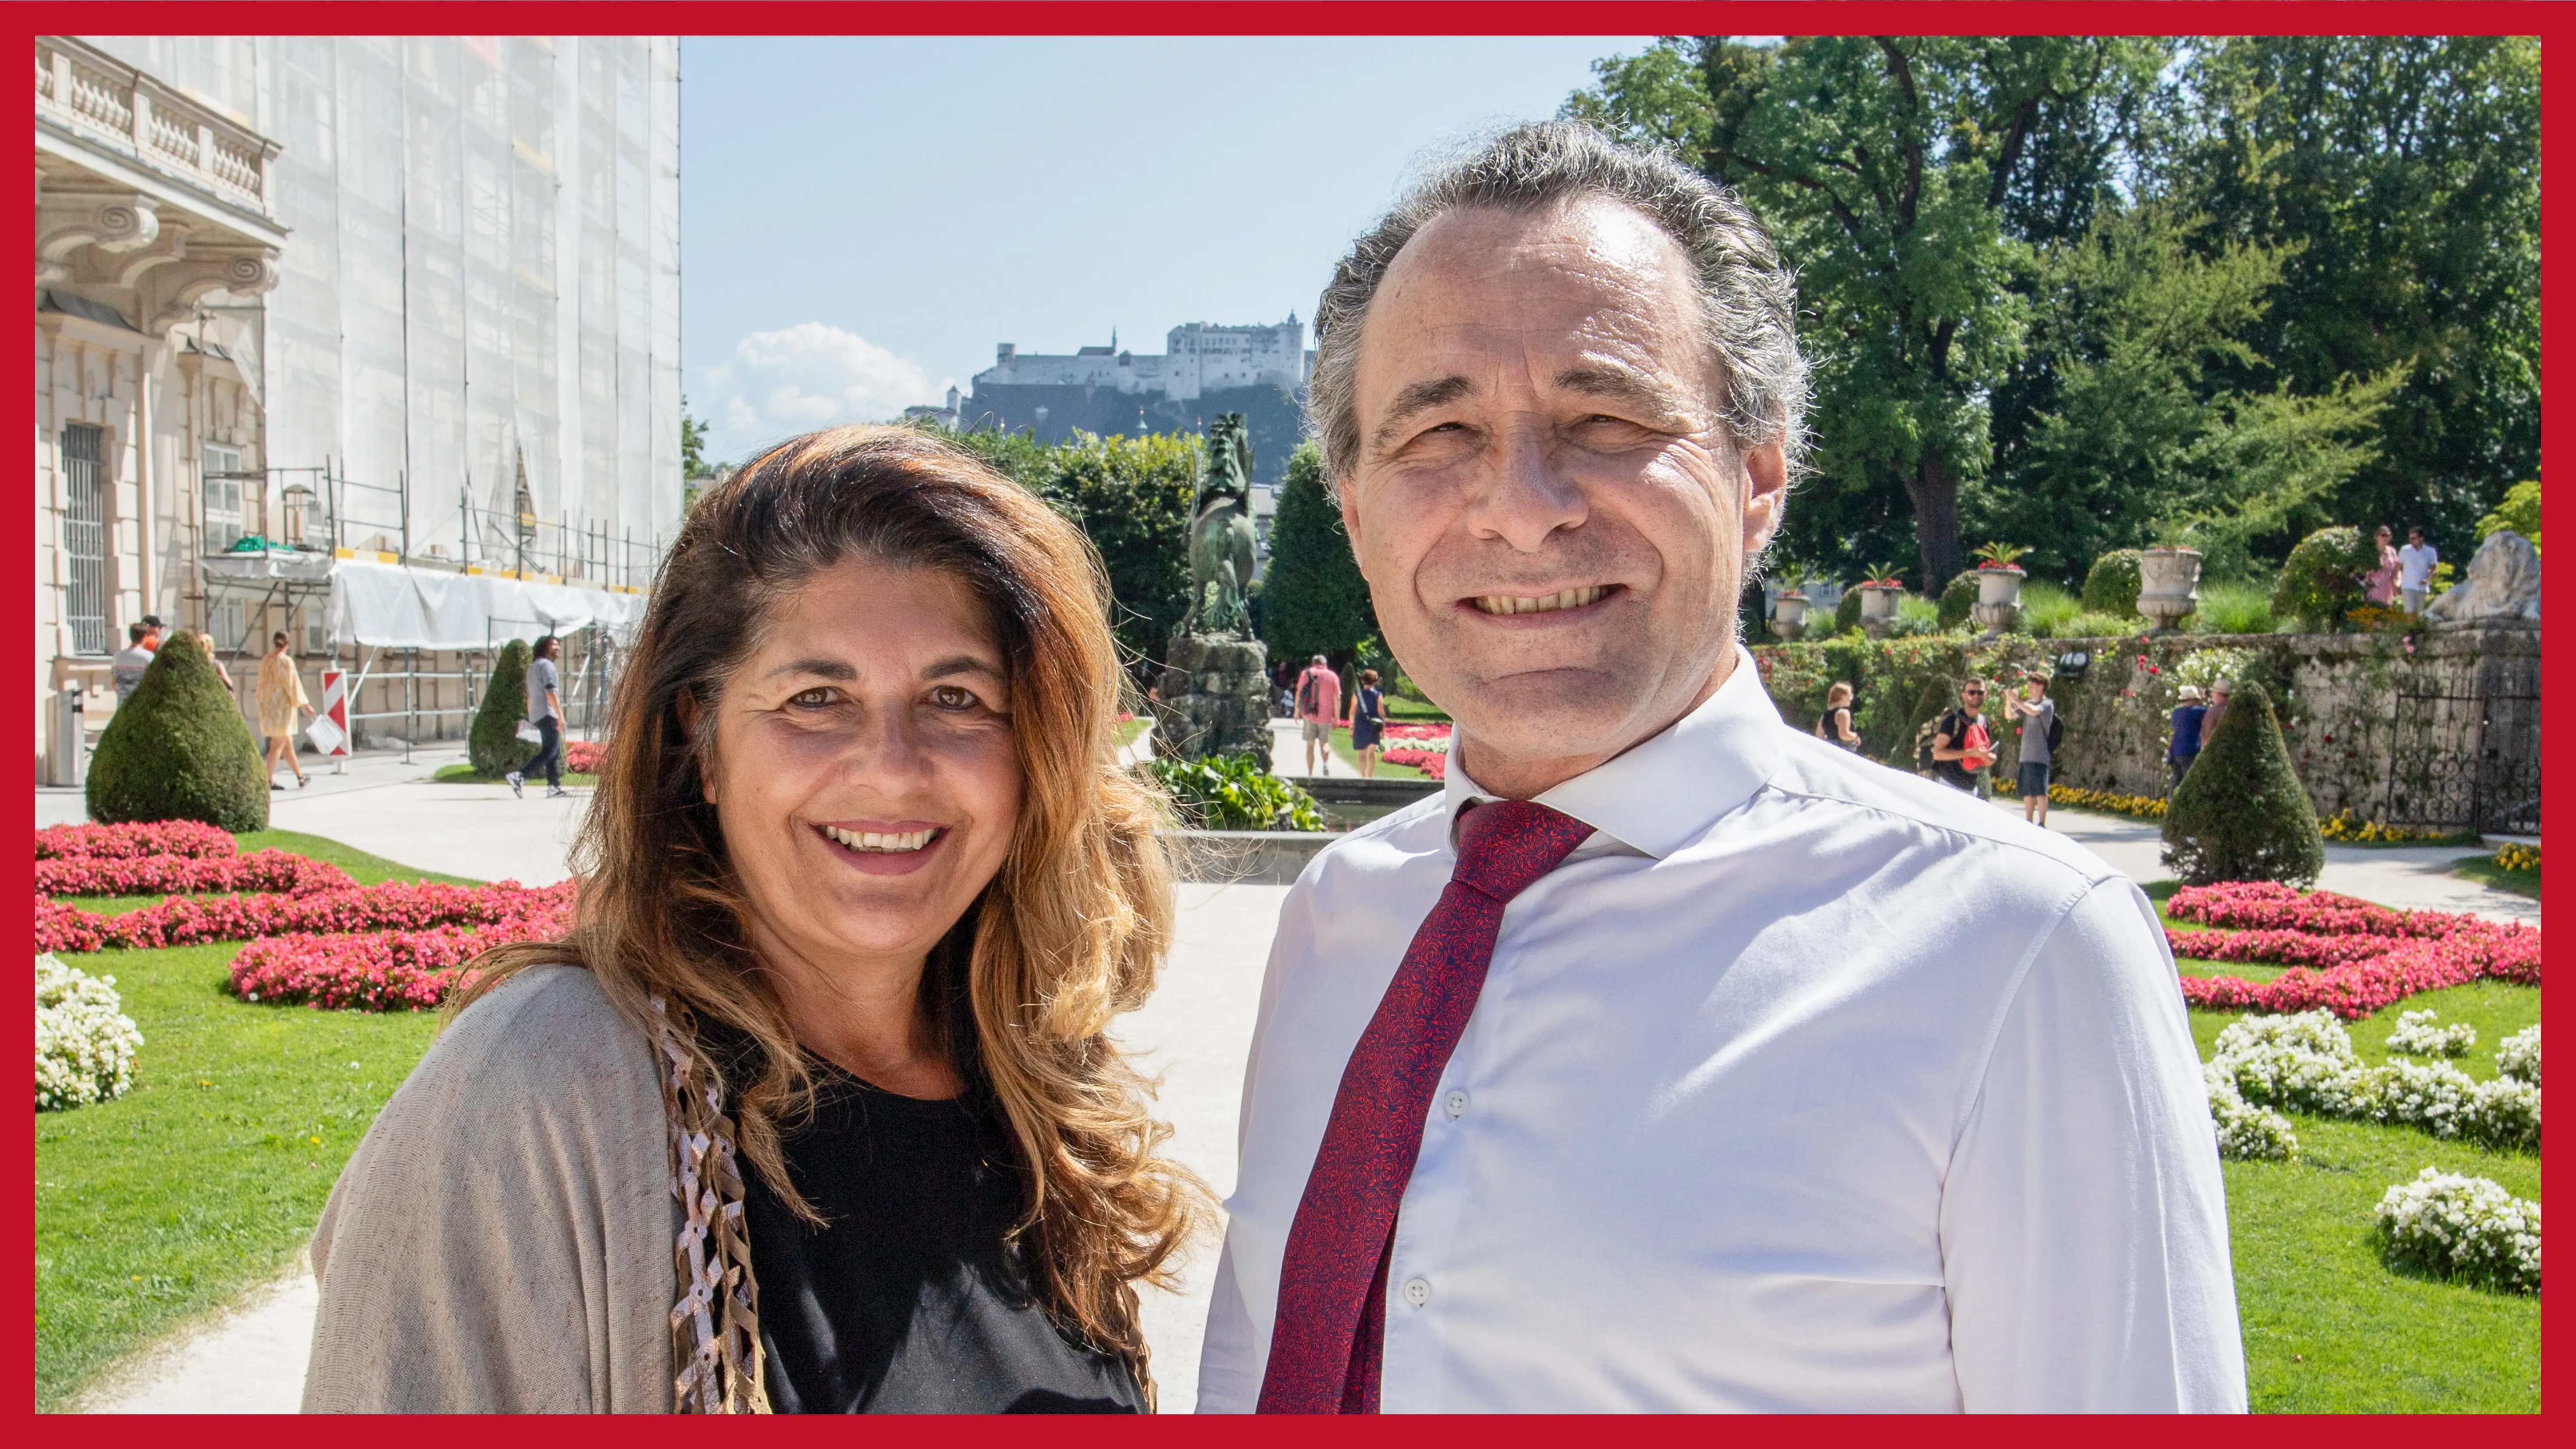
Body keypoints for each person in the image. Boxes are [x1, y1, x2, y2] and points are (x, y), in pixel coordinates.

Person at [1196, 121, 2242, 1414]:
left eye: (1602, 416)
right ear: (1353, 514)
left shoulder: (2013, 952)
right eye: (1438, 433)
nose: (1520, 506)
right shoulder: (1338, 917)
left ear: (1755, 479)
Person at [302, 425, 1209, 1413]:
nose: (893, 766)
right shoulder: (536, 1094)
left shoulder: (1034, 1085)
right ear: (701, 734)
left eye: (957, 696)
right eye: (816, 697)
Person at [507, 635, 569, 800]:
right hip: (549, 713)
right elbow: (551, 692)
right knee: (550, 751)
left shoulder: (533, 667)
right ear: (545, 647)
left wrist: (532, 717)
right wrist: (560, 716)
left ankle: (554, 787)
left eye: (558, 645)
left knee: (553, 752)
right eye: (554, 645)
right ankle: (520, 775)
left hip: (537, 714)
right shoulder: (547, 666)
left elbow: (530, 696)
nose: (558, 648)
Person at [255, 632, 313, 790]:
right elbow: (293, 685)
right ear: (287, 645)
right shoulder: (286, 661)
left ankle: (300, 777)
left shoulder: (266, 660)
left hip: (269, 707)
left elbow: (260, 683)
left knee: (287, 744)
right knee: (277, 745)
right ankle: (267, 781)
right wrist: (305, 704)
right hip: (282, 708)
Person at [2005, 673, 2057, 826]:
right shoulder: (2027, 704)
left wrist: (2017, 700)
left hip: (2039, 756)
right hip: (2026, 755)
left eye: (2033, 686)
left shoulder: (2047, 704)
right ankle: (2028, 821)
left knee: (2040, 792)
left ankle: (2042, 822)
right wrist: (2009, 701)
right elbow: (2010, 715)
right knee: (2027, 792)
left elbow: (2034, 711)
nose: (2030, 690)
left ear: (2042, 687)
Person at [1928, 679, 1995, 795]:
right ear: (1964, 696)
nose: (1976, 696)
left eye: (1980, 692)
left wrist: (1988, 759)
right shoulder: (1952, 720)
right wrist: (1969, 753)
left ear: (1986, 695)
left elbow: (1982, 756)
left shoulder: (1984, 723)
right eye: (1971, 692)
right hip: (1947, 785)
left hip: (1971, 789)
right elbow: (1938, 754)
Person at [1294, 653, 1342, 776]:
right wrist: (1337, 718)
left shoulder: (1306, 673)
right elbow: (1337, 698)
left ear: (1313, 663)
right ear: (1325, 664)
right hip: (1325, 715)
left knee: (1310, 746)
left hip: (1309, 714)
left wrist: (1297, 712)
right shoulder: (1333, 676)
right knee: (1324, 743)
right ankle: (1326, 764)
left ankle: (1310, 774)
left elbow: (1299, 692)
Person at [1346, 668, 1388, 777]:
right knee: (1371, 751)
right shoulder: (1378, 695)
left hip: (1360, 724)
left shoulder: (1357, 694)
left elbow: (1352, 711)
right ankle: (1370, 776)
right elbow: (1381, 712)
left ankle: (1363, 776)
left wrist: (1351, 726)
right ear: (1375, 682)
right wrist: (1383, 728)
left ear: (1363, 681)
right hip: (1374, 725)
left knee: (1361, 753)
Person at [2168, 684, 2209, 790]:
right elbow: (2212, 712)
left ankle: (2172, 804)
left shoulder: (2176, 713)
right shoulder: (2197, 712)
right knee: (2191, 785)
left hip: (2175, 753)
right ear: (2193, 699)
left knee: (2177, 784)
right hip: (2189, 753)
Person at [110, 620, 159, 702]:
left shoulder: (117, 656)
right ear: (144, 637)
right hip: (141, 704)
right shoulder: (149, 657)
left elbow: (113, 683)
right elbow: (155, 682)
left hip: (122, 705)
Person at [2397, 526, 2438, 614]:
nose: (2411, 541)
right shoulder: (2405, 550)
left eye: (2414, 538)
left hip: (2422, 588)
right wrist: (2396, 582)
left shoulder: (2430, 552)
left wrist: (2426, 579)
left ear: (2421, 538)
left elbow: (2434, 570)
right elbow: (2397, 567)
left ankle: (2416, 628)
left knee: (2420, 614)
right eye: (2410, 539)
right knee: (2410, 613)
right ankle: (2411, 628)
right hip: (2408, 587)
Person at [1811, 680, 1861, 751]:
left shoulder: (1824, 716)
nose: (1852, 698)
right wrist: (1856, 737)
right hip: (1844, 752)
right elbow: (1843, 735)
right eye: (1850, 695)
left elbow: (1819, 736)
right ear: (1843, 697)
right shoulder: (1843, 713)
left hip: (1830, 751)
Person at [2363, 524, 2398, 605]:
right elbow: (2366, 570)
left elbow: (2396, 569)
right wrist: (2378, 567)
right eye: (2383, 535)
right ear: (2377, 537)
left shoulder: (2392, 551)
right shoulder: (2372, 552)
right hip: (2374, 587)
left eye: (2388, 535)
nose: (2386, 538)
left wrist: (2397, 583)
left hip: (2388, 588)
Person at [2199, 679, 2231, 755]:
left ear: (2218, 693)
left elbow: (2207, 738)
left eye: (2213, 692)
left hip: (2215, 755)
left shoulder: (2212, 713)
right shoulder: (2234, 710)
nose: (2212, 694)